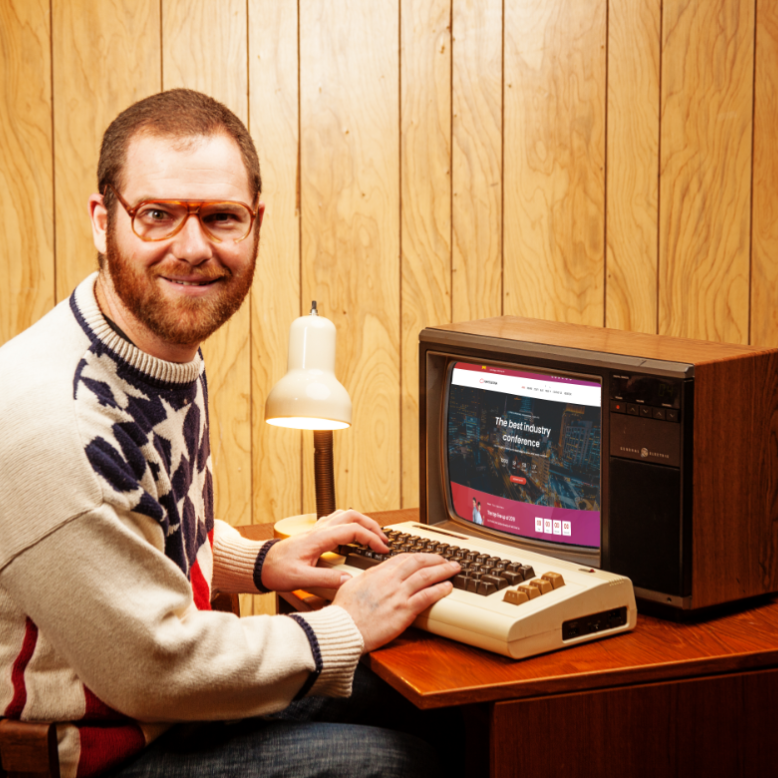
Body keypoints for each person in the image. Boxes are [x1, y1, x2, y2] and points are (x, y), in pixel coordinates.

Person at [0, 89, 462, 778]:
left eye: (221, 218)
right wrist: (347, 624)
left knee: (436, 705)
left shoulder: (156, 340)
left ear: (255, 223)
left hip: (154, 710)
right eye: (157, 215)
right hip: (98, 752)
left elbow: (142, 519)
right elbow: (155, 668)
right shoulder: (53, 422)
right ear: (103, 221)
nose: (192, 249)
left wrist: (261, 562)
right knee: (400, 762)